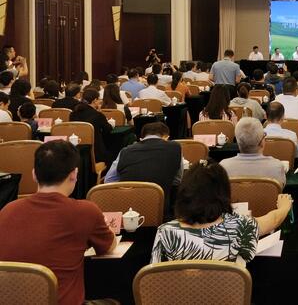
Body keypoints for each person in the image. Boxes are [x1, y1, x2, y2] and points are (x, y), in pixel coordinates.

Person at [0, 140, 116, 304]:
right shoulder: (85, 211)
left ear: (34, 174)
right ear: (74, 174)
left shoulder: (7, 211)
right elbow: (109, 247)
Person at [151, 162, 293, 265]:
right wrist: (284, 207)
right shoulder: (241, 226)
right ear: (223, 193)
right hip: (230, 294)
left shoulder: (165, 232)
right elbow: (273, 220)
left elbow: (154, 278)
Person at [105, 122, 182, 210]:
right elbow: (177, 181)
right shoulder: (175, 147)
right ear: (166, 137)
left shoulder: (125, 151)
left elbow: (109, 180)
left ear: (142, 138)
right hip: (159, 207)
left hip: (126, 207)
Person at [220, 118, 286, 186]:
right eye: (264, 135)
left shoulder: (223, 167)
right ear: (262, 142)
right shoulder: (276, 167)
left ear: (238, 142)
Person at [70, 89, 112, 165]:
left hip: (76, 151)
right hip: (96, 153)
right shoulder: (97, 115)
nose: (100, 101)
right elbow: (108, 129)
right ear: (95, 100)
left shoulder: (73, 114)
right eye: (99, 99)